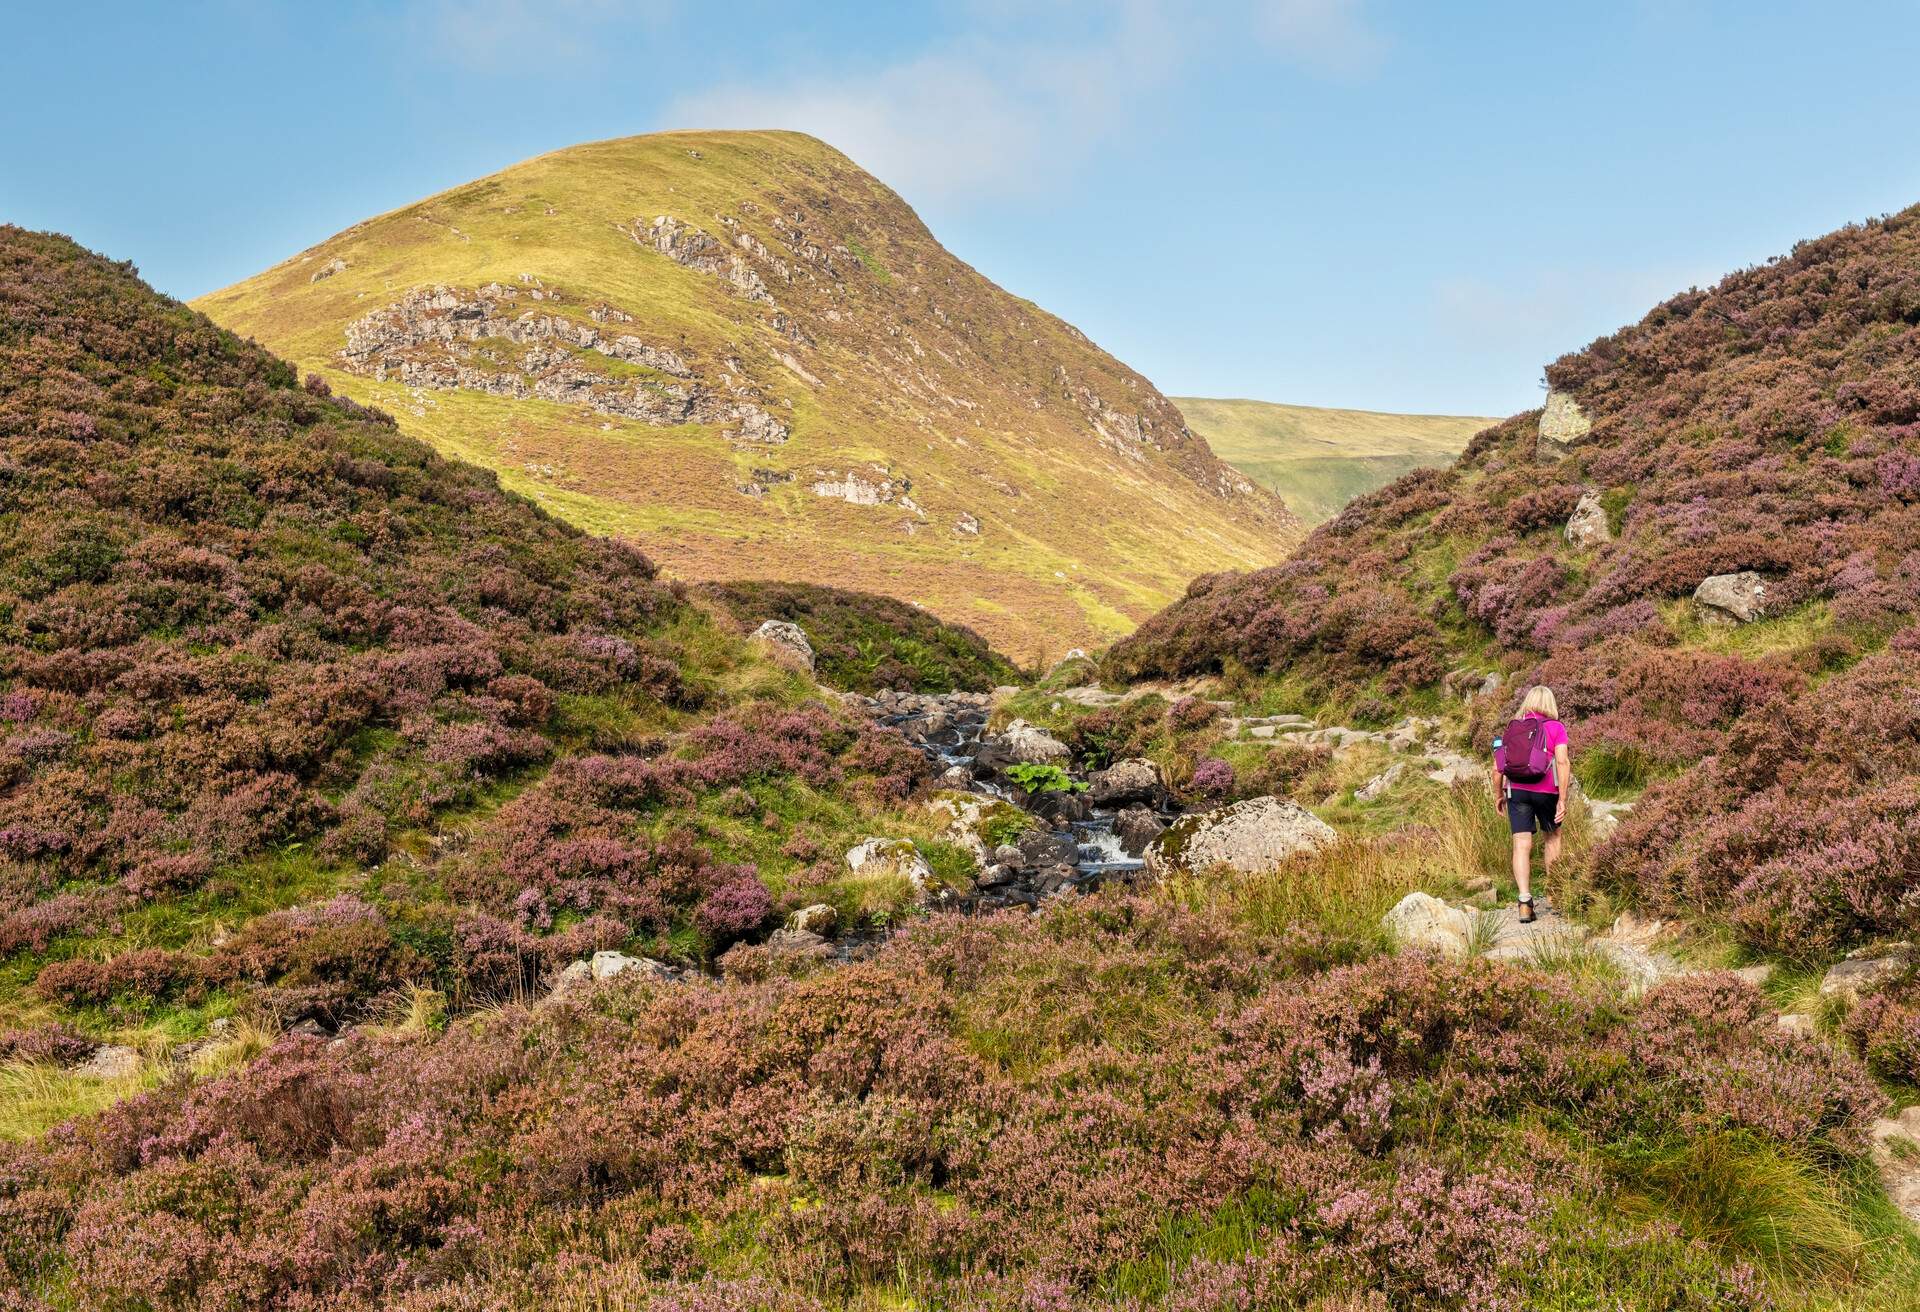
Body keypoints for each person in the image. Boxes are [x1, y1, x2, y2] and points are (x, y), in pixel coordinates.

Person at [1490, 685, 1570, 924]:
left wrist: (1498, 795)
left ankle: (1524, 903)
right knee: (1553, 838)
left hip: (1518, 792)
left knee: (1521, 845)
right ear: (1550, 704)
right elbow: (1563, 763)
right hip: (1547, 792)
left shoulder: (1512, 729)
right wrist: (1562, 799)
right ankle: (1555, 896)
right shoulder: (1556, 728)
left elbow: (1497, 770)